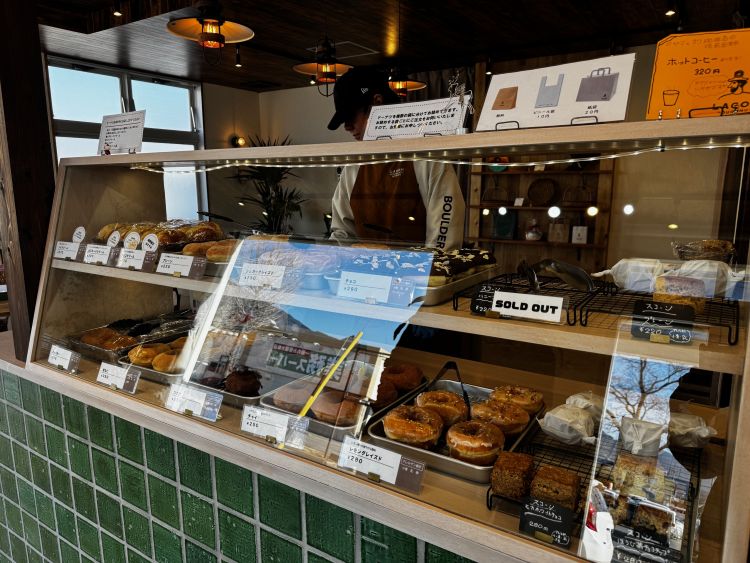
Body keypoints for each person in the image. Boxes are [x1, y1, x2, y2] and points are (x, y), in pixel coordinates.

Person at [326, 67, 465, 250]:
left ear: (377, 102)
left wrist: (422, 268)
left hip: (418, 268)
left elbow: (444, 242)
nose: (347, 127)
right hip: (362, 268)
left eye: (351, 116)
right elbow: (342, 234)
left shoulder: (426, 157)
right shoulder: (354, 166)